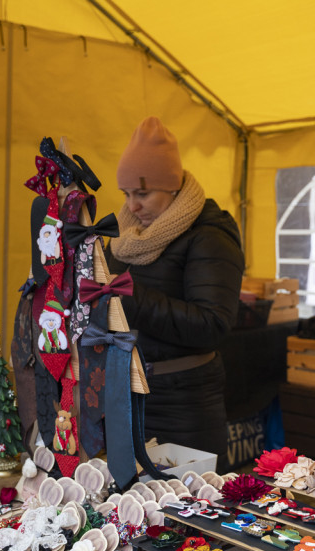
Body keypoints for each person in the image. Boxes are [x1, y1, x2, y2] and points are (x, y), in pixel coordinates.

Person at [106, 116, 245, 460]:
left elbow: (212, 325)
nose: (132, 206)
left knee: (185, 504)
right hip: (129, 392)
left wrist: (128, 296)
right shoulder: (125, 237)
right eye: (126, 194)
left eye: (143, 193)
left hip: (185, 404)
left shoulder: (210, 236)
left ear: (171, 186)